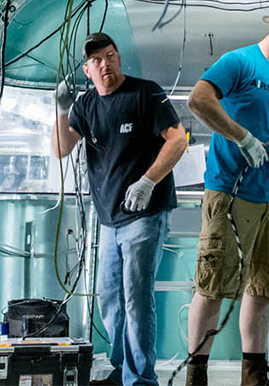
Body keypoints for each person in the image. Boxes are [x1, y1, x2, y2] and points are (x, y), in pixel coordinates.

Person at [183, 7, 269, 386]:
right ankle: (196, 376)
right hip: (230, 192)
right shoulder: (239, 62)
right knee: (213, 287)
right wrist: (241, 137)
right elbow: (199, 100)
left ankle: (253, 376)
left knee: (263, 288)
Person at [54, 33, 188, 386]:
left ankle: (140, 379)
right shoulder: (85, 105)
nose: (105, 64)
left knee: (135, 298)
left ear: (119, 58)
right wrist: (62, 109)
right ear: (87, 70)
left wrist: (147, 182)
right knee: (110, 297)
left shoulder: (146, 94)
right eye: (96, 60)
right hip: (109, 219)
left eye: (110, 55)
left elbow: (178, 140)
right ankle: (121, 369)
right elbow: (61, 148)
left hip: (145, 213)